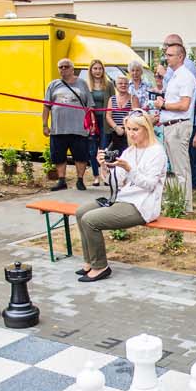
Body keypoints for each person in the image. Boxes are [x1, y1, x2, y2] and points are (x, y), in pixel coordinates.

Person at [72, 113, 168, 282]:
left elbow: (150, 185)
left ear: (146, 129)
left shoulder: (157, 152)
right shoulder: (129, 151)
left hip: (142, 205)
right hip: (122, 199)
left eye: (135, 129)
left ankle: (100, 266)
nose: (131, 133)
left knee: (90, 220)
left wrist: (129, 169)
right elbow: (115, 182)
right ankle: (89, 262)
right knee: (81, 212)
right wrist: (104, 166)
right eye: (128, 129)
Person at [157, 39, 196, 212]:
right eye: (166, 55)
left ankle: (186, 207)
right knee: (175, 169)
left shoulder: (185, 77)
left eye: (170, 55)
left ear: (180, 57)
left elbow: (184, 105)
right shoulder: (174, 76)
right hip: (170, 125)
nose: (167, 58)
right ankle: (179, 202)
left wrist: (163, 105)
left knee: (181, 169)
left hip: (179, 127)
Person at [42, 58, 90, 191]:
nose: (63, 69)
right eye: (61, 67)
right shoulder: (53, 85)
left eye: (66, 66)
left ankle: (80, 180)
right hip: (58, 128)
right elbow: (46, 106)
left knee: (81, 155)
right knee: (58, 156)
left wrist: (90, 123)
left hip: (78, 128)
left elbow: (89, 106)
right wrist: (45, 125)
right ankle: (61, 180)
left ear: (72, 69)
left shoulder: (82, 84)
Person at [84, 59, 115, 178]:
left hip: (105, 121)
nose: (98, 71)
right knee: (92, 149)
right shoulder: (86, 85)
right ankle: (95, 176)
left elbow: (113, 101)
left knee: (104, 148)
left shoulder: (109, 85)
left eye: (100, 68)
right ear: (91, 70)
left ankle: (104, 174)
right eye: (95, 68)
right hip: (92, 121)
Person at [106, 74, 139, 157]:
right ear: (116, 85)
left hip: (129, 133)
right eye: (120, 83)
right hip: (115, 133)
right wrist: (116, 127)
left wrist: (126, 128)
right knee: (115, 157)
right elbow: (108, 116)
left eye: (125, 83)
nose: (123, 85)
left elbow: (136, 116)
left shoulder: (133, 98)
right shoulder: (112, 99)